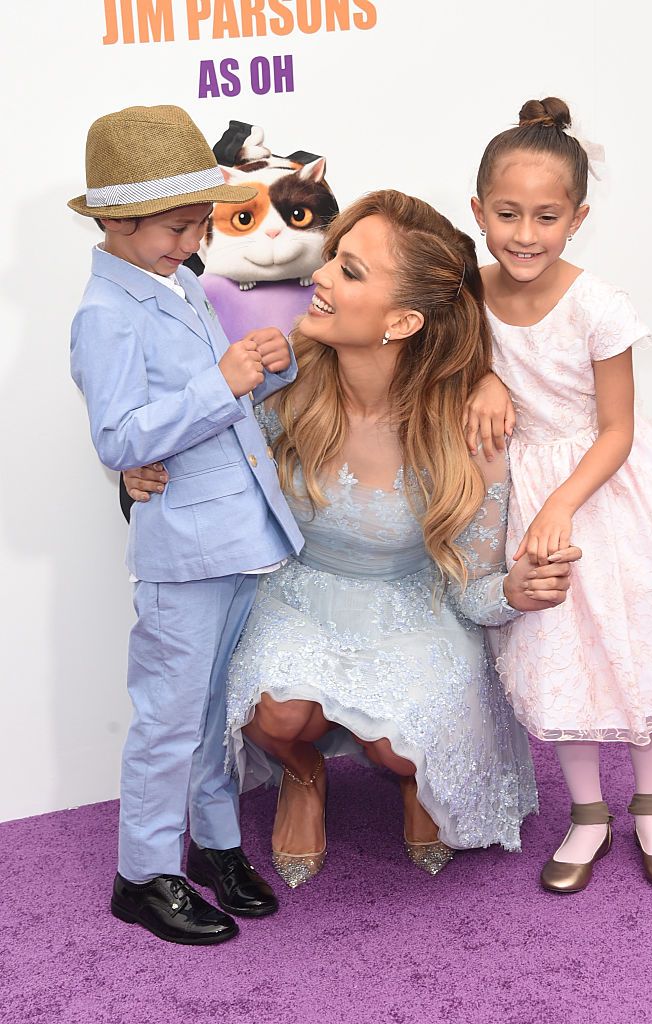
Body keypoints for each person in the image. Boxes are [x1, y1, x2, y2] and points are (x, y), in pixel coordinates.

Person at [126, 190, 581, 888]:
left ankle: (409, 780)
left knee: (400, 746)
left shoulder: (469, 425)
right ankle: (303, 776)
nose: (321, 276)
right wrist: (140, 472)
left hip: (412, 606)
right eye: (333, 257)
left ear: (402, 319)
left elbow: (472, 592)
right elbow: (197, 449)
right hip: (298, 594)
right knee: (272, 709)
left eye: (351, 270)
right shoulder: (280, 380)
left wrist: (516, 591)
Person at [465, 97, 652, 893]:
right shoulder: (466, 290)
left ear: (577, 217)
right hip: (516, 492)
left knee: (632, 651)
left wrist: (561, 502)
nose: (526, 234)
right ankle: (587, 813)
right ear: (478, 210)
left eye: (546, 216)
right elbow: (448, 357)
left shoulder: (597, 307)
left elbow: (616, 429)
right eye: (508, 214)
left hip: (602, 493)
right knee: (561, 654)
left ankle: (651, 805)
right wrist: (483, 373)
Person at [69, 104, 304, 944]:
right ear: (114, 221)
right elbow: (120, 436)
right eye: (176, 225)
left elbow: (209, 410)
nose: (191, 238)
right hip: (183, 550)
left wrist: (265, 372)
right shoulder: (107, 313)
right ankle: (142, 874)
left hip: (237, 532)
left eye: (199, 221)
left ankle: (213, 843)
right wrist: (227, 382)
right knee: (169, 717)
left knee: (209, 711)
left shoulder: (176, 287)